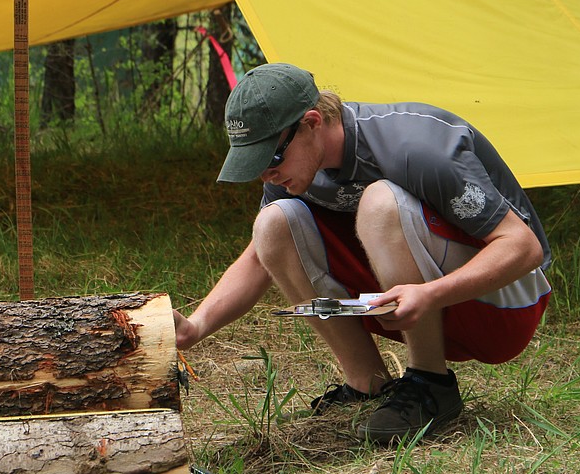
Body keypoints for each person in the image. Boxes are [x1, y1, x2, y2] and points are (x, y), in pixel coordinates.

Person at [174, 62, 551, 444]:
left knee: (379, 202)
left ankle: (430, 383)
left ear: (312, 122)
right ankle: (367, 384)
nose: (266, 176)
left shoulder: (413, 145)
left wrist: (430, 294)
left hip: (505, 306)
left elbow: (523, 247)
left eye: (271, 159)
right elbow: (258, 258)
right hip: (420, 299)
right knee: (272, 223)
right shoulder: (297, 170)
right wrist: (195, 326)